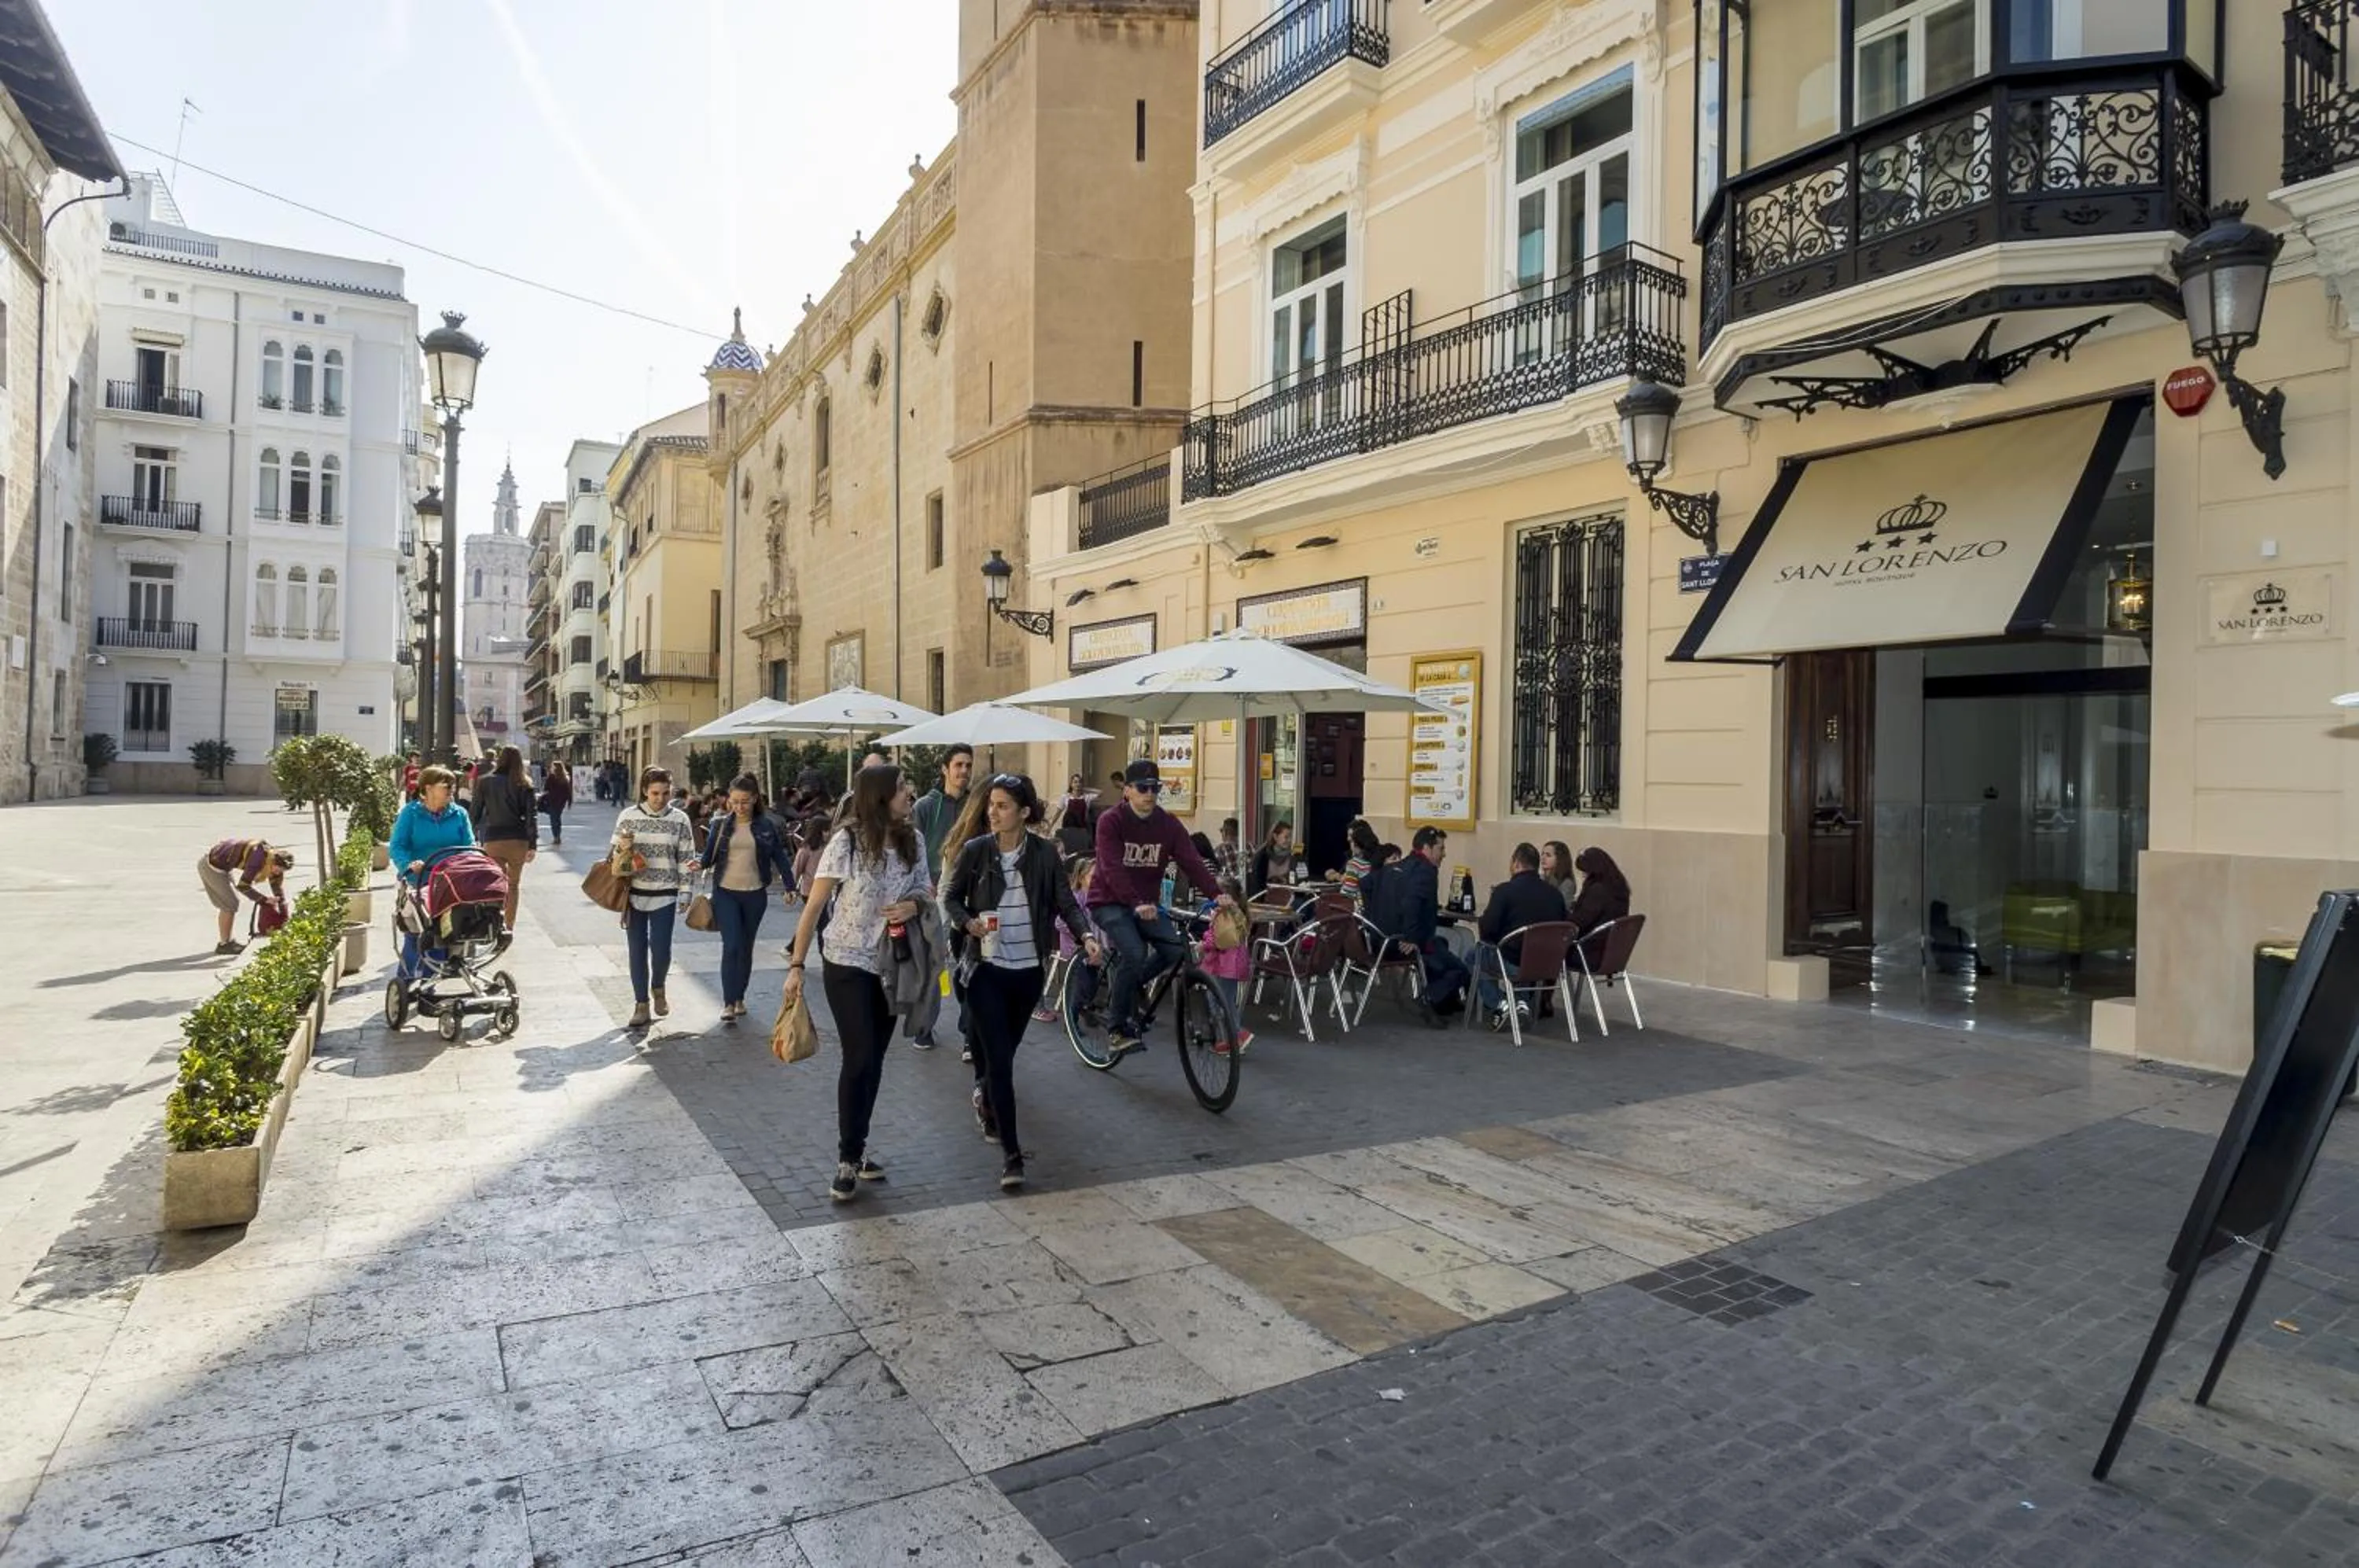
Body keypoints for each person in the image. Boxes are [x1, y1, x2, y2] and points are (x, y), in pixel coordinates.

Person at [942, 773, 1103, 1192]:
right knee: (1001, 1062)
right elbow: (951, 898)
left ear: (1024, 813)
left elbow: (1065, 901)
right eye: (991, 805)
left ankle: (984, 1093)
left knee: (1002, 1056)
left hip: (1028, 972)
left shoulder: (1045, 854)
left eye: (1002, 806)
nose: (992, 813)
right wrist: (969, 923)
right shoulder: (976, 851)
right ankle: (1012, 1156)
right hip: (986, 969)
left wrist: (1085, 935)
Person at [784, 763, 932, 1205]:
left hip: (893, 962)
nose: (910, 794)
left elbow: (928, 889)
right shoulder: (846, 842)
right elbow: (813, 908)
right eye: (903, 788)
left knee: (876, 1060)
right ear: (881, 797)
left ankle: (860, 1146)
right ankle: (847, 1159)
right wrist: (796, 965)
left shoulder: (914, 841)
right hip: (846, 961)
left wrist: (911, 904)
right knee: (860, 1054)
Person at [1089, 758, 1231, 1058]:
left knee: (1176, 951)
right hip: (1110, 901)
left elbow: (1191, 861)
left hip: (1147, 906)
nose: (1150, 794)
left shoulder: (1168, 825)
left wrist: (1217, 894)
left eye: (1156, 788)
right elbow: (1112, 868)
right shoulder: (1110, 822)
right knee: (1134, 951)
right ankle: (1116, 1030)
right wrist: (1136, 902)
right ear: (1127, 791)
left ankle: (1131, 985)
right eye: (1143, 788)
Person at [612, 766, 700, 1031]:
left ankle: (658, 987)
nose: (660, 798)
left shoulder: (680, 819)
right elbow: (614, 857)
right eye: (654, 793)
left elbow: (686, 858)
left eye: (665, 793)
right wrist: (622, 849)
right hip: (634, 894)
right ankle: (641, 1004)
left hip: (666, 893)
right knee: (636, 951)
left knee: (661, 950)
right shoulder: (628, 816)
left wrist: (686, 892)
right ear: (644, 792)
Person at [705, 772, 797, 1022]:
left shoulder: (766, 826)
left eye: (744, 801)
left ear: (755, 799)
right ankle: (727, 1002)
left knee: (745, 948)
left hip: (755, 895)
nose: (739, 807)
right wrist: (695, 863)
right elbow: (708, 857)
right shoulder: (721, 825)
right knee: (731, 945)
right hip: (725, 893)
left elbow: (779, 857)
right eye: (734, 801)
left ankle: (739, 998)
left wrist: (791, 886)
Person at [908, 745, 976, 1051]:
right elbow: (912, 848)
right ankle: (924, 1025)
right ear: (945, 769)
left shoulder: (977, 805)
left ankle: (968, 1030)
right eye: (958, 765)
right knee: (933, 962)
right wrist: (925, 883)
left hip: (971, 892)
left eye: (968, 766)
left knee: (969, 962)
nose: (964, 771)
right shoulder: (925, 806)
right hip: (933, 892)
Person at [388, 766, 477, 976]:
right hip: (420, 881)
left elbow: (469, 844)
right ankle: (407, 980)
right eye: (446, 786)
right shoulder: (410, 814)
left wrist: (471, 861)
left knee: (445, 932)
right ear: (428, 788)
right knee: (417, 934)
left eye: (453, 786)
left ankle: (431, 982)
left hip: (451, 882)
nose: (451, 790)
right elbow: (397, 846)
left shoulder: (459, 813)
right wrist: (408, 864)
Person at [1473, 842, 1571, 1028]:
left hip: (1514, 963)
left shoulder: (1504, 891)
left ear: (1516, 863)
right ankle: (1521, 1003)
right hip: (1548, 965)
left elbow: (1488, 929)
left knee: (1476, 955)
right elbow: (1564, 925)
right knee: (1514, 953)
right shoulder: (1554, 895)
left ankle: (1501, 1003)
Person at [1377, 826, 1467, 1023]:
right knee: (1461, 970)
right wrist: (1411, 937)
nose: (1444, 854)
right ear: (1427, 847)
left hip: (1385, 941)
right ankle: (1430, 997)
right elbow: (1411, 903)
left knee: (1442, 944)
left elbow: (1367, 885)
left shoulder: (1397, 867)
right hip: (1408, 943)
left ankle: (1445, 1003)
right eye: (1441, 849)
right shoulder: (1426, 871)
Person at [471, 745, 539, 931]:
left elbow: (475, 812)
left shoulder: (485, 782)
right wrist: (533, 844)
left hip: (494, 839)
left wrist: (472, 836)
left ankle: (495, 923)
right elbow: (531, 816)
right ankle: (509, 925)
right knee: (514, 885)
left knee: (495, 883)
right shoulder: (525, 784)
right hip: (518, 840)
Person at [198, 838, 293, 955]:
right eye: (278, 870)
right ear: (272, 862)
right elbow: (243, 886)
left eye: (282, 871)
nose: (278, 873)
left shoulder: (272, 858)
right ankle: (225, 945)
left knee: (231, 903)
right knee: (230, 904)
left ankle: (226, 942)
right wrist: (264, 900)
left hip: (222, 866)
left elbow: (276, 886)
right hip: (211, 867)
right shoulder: (257, 859)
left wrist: (282, 907)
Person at [1198, 876, 1254, 1056]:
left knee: (1222, 999)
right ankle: (1231, 1038)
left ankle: (1238, 1034)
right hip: (1230, 963)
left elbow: (1217, 938)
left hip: (1223, 964)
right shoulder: (1237, 913)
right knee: (1222, 998)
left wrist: (1203, 945)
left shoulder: (1224, 915)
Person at [1567, 846, 1634, 966]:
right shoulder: (1619, 888)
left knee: (1551, 950)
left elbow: (1580, 921)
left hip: (1590, 953)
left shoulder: (1598, 890)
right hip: (1613, 953)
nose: (1583, 876)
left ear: (1593, 871)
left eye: (1585, 872)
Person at [1338, 819, 1382, 904]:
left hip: (1359, 908)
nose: (1348, 839)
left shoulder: (1355, 863)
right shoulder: (1378, 858)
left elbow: (1347, 894)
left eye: (1351, 836)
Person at [1249, 820, 1297, 897]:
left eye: (1290, 837)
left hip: (1287, 896)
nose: (1289, 840)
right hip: (1264, 898)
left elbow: (1295, 879)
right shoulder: (1262, 856)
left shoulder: (1292, 856)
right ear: (1275, 837)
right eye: (1286, 837)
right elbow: (1256, 883)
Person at [541, 761, 573, 846]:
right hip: (561, 802)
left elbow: (546, 788)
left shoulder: (551, 777)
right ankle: (557, 836)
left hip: (552, 801)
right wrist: (569, 802)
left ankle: (556, 837)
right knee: (557, 818)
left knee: (554, 819)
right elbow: (568, 791)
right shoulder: (565, 778)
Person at [1540, 841, 1580, 907]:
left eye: (1548, 855)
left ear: (1559, 859)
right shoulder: (1540, 878)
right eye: (1542, 854)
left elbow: (1563, 908)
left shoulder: (1567, 883)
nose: (1543, 858)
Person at [1213, 818, 1243, 882]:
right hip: (1252, 889)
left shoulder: (1219, 850)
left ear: (1225, 833)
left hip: (1231, 889)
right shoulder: (1251, 847)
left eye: (1221, 831)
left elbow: (1213, 873)